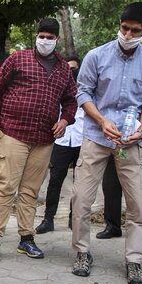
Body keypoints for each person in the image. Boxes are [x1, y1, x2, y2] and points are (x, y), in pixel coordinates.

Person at [71, 2, 142, 284]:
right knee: (81, 199)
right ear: (119, 25)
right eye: (125, 28)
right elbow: (83, 92)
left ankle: (134, 260)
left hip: (130, 141)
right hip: (97, 137)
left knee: (138, 203)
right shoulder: (96, 56)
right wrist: (101, 121)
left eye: (135, 30)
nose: (128, 34)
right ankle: (82, 253)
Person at [0, 18, 78, 262]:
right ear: (36, 36)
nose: (45, 40)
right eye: (42, 35)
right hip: (13, 132)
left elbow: (70, 100)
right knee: (6, 186)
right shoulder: (18, 59)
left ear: (57, 40)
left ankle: (26, 239)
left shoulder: (64, 69)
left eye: (50, 37)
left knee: (30, 191)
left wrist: (65, 120)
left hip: (44, 138)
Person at [36, 57, 84, 234]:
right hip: (61, 140)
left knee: (80, 183)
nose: (70, 74)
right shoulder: (58, 89)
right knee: (55, 181)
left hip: (81, 140)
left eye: (74, 71)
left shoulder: (86, 92)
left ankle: (74, 219)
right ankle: (48, 219)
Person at [96, 116, 142, 246]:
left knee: (140, 190)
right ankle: (112, 226)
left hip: (136, 146)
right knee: (110, 186)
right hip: (112, 145)